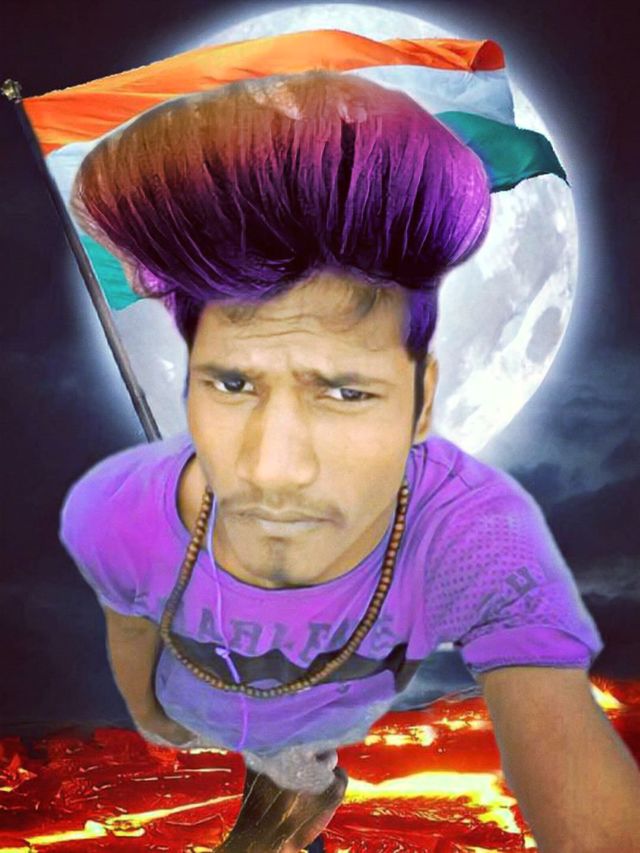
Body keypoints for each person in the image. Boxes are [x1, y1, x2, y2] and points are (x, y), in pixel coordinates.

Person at [59, 71, 640, 852]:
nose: (282, 458)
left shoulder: (470, 533)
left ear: (420, 401)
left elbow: (565, 750)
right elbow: (138, 654)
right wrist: (191, 753)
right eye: (236, 384)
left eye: (345, 392)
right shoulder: (120, 510)